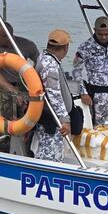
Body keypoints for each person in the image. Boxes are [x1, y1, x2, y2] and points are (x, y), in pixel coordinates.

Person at [0, 22, 39, 153]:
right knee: (2, 128)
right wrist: (12, 90)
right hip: (2, 89)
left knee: (27, 125)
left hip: (23, 86)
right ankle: (1, 155)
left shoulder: (27, 45)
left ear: (7, 36)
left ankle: (27, 154)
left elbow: (40, 64)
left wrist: (33, 84)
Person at [33, 29, 74, 163]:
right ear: (66, 47)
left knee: (48, 150)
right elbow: (53, 94)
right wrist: (64, 120)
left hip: (47, 116)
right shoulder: (50, 65)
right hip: (51, 119)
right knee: (51, 155)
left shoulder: (44, 58)